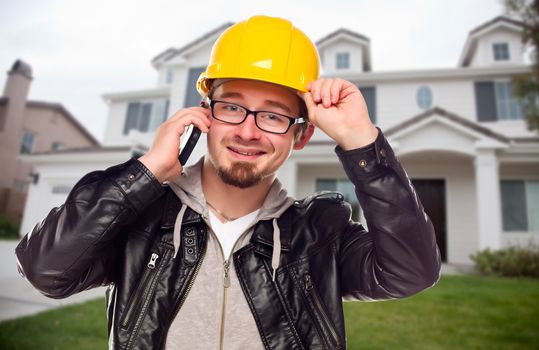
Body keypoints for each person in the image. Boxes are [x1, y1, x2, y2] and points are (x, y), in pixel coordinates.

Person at [15, 15, 441, 350]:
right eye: (231, 108)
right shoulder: (142, 220)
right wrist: (145, 174)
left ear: (301, 134)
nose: (248, 131)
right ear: (205, 114)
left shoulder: (319, 236)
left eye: (273, 115)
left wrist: (362, 143)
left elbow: (411, 272)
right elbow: (44, 269)